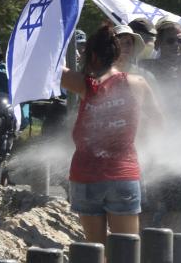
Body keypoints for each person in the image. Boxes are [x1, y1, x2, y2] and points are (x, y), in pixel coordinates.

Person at [61, 23, 164, 245]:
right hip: (122, 174)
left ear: (92, 56)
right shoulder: (137, 83)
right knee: (125, 252)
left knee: (95, 251)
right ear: (117, 53)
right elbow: (158, 122)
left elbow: (51, 68)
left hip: (84, 175)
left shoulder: (84, 84)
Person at [142, 20, 181, 232]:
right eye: (171, 41)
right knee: (147, 206)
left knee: (178, 207)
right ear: (158, 43)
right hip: (152, 145)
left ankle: (173, 258)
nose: (177, 45)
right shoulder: (146, 68)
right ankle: (142, 258)